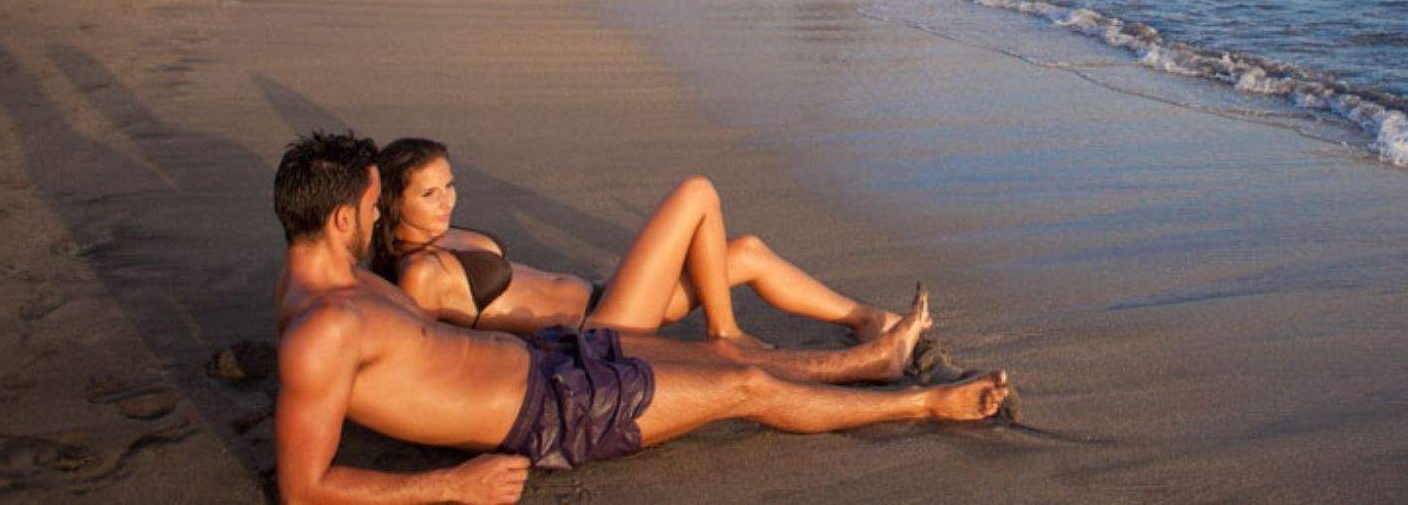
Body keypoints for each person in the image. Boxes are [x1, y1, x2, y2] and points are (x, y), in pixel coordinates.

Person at [273, 132, 1010, 502]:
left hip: (556, 357)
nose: (379, 219)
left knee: (729, 361)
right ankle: (928, 402)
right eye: (373, 207)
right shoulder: (320, 328)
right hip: (551, 413)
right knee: (744, 386)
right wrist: (452, 487)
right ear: (342, 218)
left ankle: (867, 362)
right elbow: (303, 489)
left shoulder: (333, 283)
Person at [374, 138, 902, 345]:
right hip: (595, 332)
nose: (447, 201)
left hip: (606, 298)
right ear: (395, 205)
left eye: (449, 185)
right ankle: (726, 332)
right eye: (429, 194)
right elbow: (423, 350)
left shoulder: (445, 234)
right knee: (697, 193)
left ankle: (866, 319)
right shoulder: (420, 274)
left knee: (748, 252)